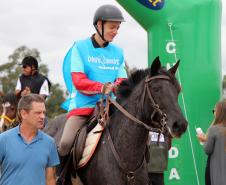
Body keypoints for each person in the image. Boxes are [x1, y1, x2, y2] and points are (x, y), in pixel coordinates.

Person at [58, 4, 127, 156]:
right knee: (65, 143)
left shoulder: (119, 52)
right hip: (84, 107)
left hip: (112, 106)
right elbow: (78, 80)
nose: (115, 32)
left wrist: (116, 86)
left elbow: (123, 79)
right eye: (112, 27)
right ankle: (61, 178)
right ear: (99, 24)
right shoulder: (80, 47)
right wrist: (102, 87)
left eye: (118, 28)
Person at [0, 94, 60, 185]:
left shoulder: (50, 143)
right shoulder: (3, 139)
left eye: (44, 112)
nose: (43, 116)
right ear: (24, 114)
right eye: (38, 113)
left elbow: (50, 180)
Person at [197, 100, 226, 185]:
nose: (214, 113)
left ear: (219, 113)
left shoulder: (214, 129)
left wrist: (204, 141)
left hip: (217, 172)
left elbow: (207, 150)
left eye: (215, 111)